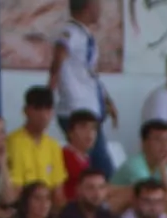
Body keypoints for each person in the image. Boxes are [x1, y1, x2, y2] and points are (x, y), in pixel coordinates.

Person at [49, 0, 116, 179]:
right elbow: (59, 54)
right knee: (100, 166)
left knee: (93, 163)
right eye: (97, 5)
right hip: (76, 108)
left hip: (90, 107)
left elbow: (90, 74)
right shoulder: (71, 31)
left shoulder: (85, 34)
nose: (100, 9)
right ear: (88, 7)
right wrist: (50, 87)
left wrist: (107, 101)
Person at [6, 87, 66, 200]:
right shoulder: (13, 142)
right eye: (38, 109)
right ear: (26, 111)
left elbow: (57, 190)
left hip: (47, 209)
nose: (43, 115)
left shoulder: (53, 145)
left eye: (48, 109)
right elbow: (16, 189)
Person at [60, 109, 99, 201]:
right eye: (83, 127)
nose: (89, 133)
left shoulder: (86, 158)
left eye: (93, 128)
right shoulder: (64, 156)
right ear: (70, 132)